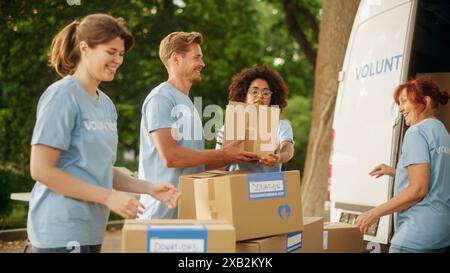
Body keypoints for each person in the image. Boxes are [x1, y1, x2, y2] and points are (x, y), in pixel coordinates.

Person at [28, 14, 180, 253]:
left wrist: (149, 188)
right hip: (59, 229)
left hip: (91, 228)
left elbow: (99, 169)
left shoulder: (106, 104)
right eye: (111, 52)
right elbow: (41, 169)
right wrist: (109, 197)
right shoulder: (62, 95)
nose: (118, 60)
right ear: (85, 48)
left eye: (121, 54)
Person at [138, 31, 259, 220]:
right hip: (160, 216)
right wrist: (222, 154)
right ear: (176, 58)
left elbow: (197, 164)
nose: (202, 64)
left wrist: (235, 154)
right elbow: (171, 157)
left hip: (187, 213)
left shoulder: (189, 104)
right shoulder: (161, 98)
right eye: (197, 57)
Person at [356, 77, 450, 253]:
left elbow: (418, 189)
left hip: (416, 234)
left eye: (404, 102)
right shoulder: (442, 132)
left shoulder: (416, 132)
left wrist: (374, 213)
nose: (400, 109)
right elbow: (436, 175)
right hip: (442, 233)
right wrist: (394, 171)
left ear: (426, 101)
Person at [215, 65, 294, 172]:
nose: (260, 96)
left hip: (270, 186)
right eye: (254, 91)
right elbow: (218, 168)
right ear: (244, 95)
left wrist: (279, 157)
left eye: (266, 93)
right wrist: (227, 156)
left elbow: (288, 149)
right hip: (238, 186)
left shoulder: (281, 125)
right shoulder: (227, 129)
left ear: (272, 98)